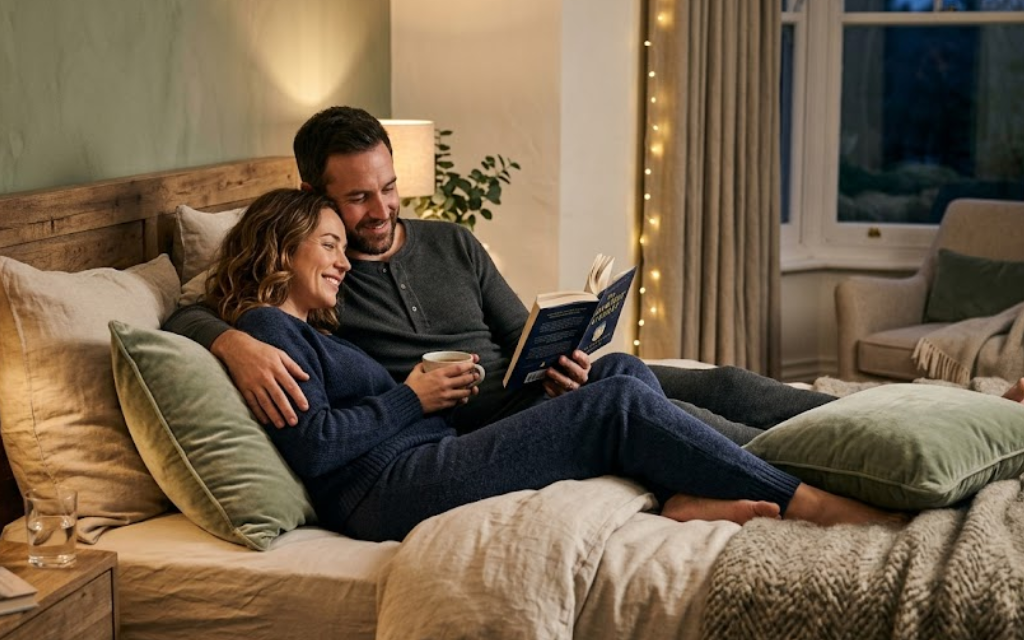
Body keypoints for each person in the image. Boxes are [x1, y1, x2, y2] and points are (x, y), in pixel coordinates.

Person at [203, 187, 904, 542]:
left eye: (338, 246)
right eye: (326, 244)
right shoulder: (266, 330)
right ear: (279, 249)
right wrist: (412, 399)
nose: (339, 261)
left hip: (430, 455)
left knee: (620, 375)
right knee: (616, 406)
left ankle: (694, 490)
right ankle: (809, 497)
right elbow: (317, 446)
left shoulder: (306, 330)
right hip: (387, 493)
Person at [164, 106, 835, 444]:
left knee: (719, 381)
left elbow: (520, 332)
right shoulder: (315, 272)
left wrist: (562, 357)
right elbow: (188, 306)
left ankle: (858, 419)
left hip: (532, 390)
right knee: (668, 411)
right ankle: (827, 459)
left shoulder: (451, 241)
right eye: (359, 197)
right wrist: (231, 341)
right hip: (476, 427)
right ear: (313, 190)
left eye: (390, 188)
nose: (382, 210)